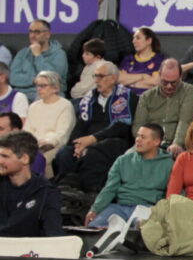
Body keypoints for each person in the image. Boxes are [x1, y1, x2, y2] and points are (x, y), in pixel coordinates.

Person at [54, 61, 138, 192]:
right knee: (64, 153)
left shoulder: (126, 96)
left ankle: (90, 192)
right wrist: (77, 145)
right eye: (95, 76)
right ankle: (67, 189)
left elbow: (121, 127)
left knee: (94, 153)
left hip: (114, 141)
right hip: (88, 141)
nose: (96, 80)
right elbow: (80, 126)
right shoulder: (89, 99)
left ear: (113, 78)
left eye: (100, 76)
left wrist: (93, 139)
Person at [84, 123, 174, 228]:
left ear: (156, 142)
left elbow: (172, 195)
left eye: (143, 137)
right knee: (94, 227)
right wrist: (94, 210)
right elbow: (109, 189)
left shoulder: (169, 164)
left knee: (145, 229)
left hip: (148, 208)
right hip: (120, 207)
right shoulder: (123, 160)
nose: (138, 140)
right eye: (138, 136)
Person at [132, 58, 193, 159]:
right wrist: (149, 143)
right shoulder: (146, 96)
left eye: (174, 82)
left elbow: (186, 121)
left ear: (181, 77)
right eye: (164, 82)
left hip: (177, 144)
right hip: (150, 144)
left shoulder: (190, 92)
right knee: (126, 159)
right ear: (159, 75)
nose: (169, 86)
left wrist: (177, 143)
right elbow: (138, 125)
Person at [0, 130, 63, 237]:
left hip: (27, 246)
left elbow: (53, 233)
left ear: (24, 159)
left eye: (5, 156)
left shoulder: (46, 192)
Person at [23, 71, 76, 178]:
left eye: (43, 85)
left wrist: (44, 142)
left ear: (55, 88)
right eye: (37, 85)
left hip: (53, 146)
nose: (38, 89)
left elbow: (62, 133)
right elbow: (27, 131)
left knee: (35, 158)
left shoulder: (65, 105)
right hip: (32, 145)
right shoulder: (33, 106)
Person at [9, 19, 68, 103]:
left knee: (43, 98)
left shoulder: (59, 54)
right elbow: (13, 78)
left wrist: (38, 55)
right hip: (21, 94)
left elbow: (52, 79)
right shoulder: (23, 53)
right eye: (31, 32)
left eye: (37, 32)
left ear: (47, 34)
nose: (32, 35)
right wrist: (34, 80)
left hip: (47, 93)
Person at [118, 27, 165, 95]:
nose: (134, 41)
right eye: (133, 38)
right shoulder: (128, 59)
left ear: (149, 41)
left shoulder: (158, 59)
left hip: (149, 97)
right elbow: (121, 80)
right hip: (128, 97)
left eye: (138, 38)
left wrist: (132, 83)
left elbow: (155, 82)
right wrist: (143, 76)